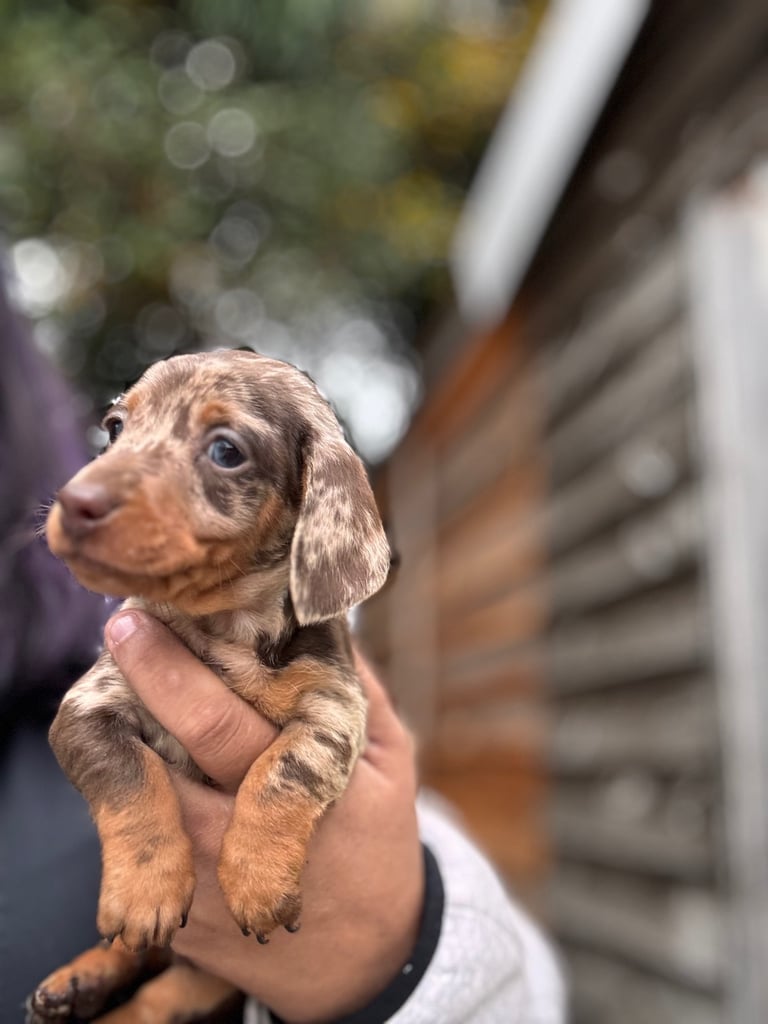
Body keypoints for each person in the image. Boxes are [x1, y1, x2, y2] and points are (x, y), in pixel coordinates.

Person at [0, 284, 565, 1023]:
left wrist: (391, 950)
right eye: (119, 429)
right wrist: (143, 835)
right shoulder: (123, 650)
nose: (87, 490)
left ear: (311, 502)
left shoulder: (299, 654)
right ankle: (140, 977)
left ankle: (164, 995)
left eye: (224, 451)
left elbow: (528, 988)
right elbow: (87, 723)